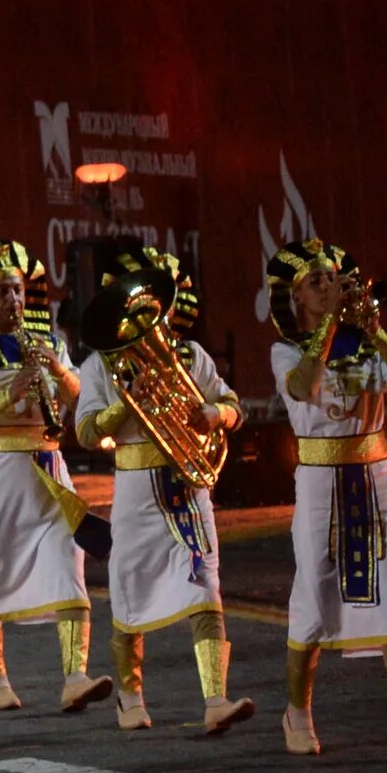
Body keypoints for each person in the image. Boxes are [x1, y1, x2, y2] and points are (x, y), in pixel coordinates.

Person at [266, 240, 387, 760]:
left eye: (332, 278)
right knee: (313, 596)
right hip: (319, 481)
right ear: (295, 296)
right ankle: (297, 712)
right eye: (315, 281)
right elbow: (303, 386)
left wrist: (374, 329)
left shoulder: (365, 342)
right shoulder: (287, 349)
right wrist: (331, 329)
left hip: (375, 476)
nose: (327, 286)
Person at [72, 246, 250, 735]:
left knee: (205, 586)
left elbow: (232, 405)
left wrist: (217, 414)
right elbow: (86, 431)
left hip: (187, 489)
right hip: (134, 489)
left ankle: (215, 698)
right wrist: (127, 404)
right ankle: (130, 698)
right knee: (130, 590)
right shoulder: (98, 367)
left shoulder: (191, 355)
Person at [0, 240, 110, 714]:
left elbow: (79, 399)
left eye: (18, 291)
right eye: (2, 292)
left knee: (68, 559)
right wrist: (6, 397)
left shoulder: (49, 343)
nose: (14, 300)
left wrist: (58, 368)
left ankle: (74, 675)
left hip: (50, 469)